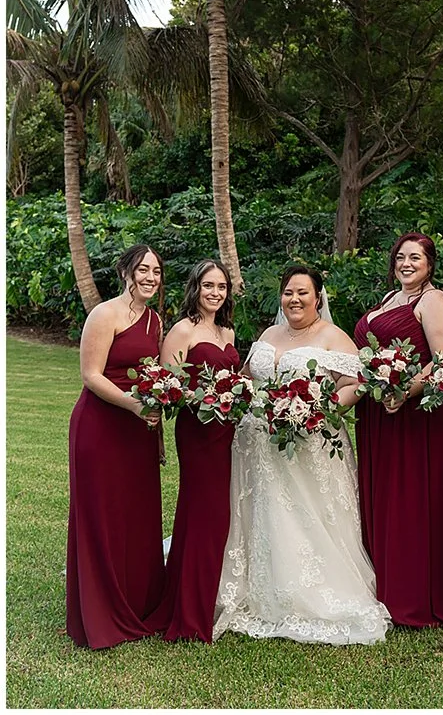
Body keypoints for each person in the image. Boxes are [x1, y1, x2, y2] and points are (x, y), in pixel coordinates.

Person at [212, 265, 391, 644]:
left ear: (318, 297)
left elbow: (357, 381)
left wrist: (319, 411)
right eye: (289, 292)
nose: (294, 300)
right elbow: (248, 376)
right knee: (264, 513)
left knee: (307, 515)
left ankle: (306, 593)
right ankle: (258, 586)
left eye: (303, 293)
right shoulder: (268, 333)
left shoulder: (332, 336)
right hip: (259, 442)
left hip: (310, 443)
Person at [354, 232, 443, 628]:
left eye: (415, 258)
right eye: (401, 257)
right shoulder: (390, 300)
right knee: (384, 498)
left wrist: (404, 390)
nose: (406, 264)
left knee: (410, 500)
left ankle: (412, 594)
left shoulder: (434, 301)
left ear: (430, 264)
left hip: (416, 420)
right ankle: (384, 585)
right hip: (380, 418)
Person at [66, 244, 169, 648]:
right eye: (143, 269)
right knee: (102, 516)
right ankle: (99, 612)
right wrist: (132, 404)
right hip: (101, 426)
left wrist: (153, 421)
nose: (150, 277)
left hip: (137, 432)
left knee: (136, 516)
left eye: (157, 272)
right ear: (127, 271)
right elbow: (90, 375)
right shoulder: (104, 314)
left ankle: (135, 602)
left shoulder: (155, 321)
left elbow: (155, 377)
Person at [159, 259, 240, 642]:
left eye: (221, 287)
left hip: (228, 433)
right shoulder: (182, 330)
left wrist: (234, 396)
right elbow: (167, 389)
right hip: (198, 431)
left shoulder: (228, 329)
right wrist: (206, 396)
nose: (215, 293)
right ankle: (189, 617)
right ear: (195, 287)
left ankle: (197, 601)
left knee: (215, 519)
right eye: (208, 285)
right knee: (203, 515)